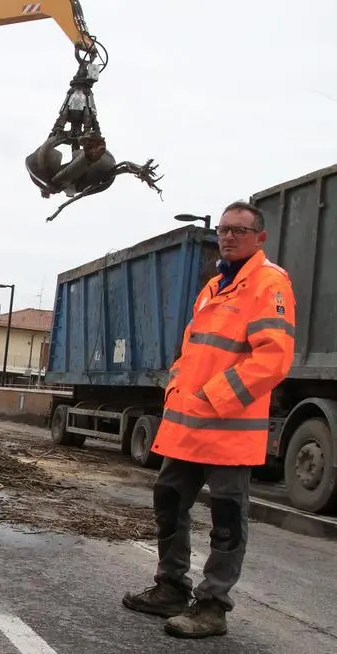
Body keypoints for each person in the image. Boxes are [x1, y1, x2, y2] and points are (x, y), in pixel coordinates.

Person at [122, 201, 296, 638]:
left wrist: (213, 397)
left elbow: (273, 359)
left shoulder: (268, 284)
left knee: (226, 519)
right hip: (186, 428)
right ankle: (171, 589)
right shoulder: (214, 287)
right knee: (169, 504)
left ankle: (213, 606)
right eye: (223, 229)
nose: (229, 236)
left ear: (260, 237)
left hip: (228, 432)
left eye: (240, 229)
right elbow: (193, 352)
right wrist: (176, 387)